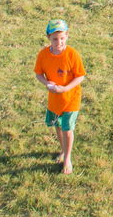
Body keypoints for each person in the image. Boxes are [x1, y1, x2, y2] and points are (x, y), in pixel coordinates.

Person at [34, 20, 86, 175]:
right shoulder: (43, 55)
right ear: (48, 38)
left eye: (62, 38)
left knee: (67, 129)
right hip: (54, 100)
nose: (59, 42)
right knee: (58, 126)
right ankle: (63, 150)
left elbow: (80, 76)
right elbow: (38, 73)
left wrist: (65, 88)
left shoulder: (72, 54)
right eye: (55, 39)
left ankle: (67, 158)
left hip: (71, 99)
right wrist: (47, 83)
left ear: (67, 36)